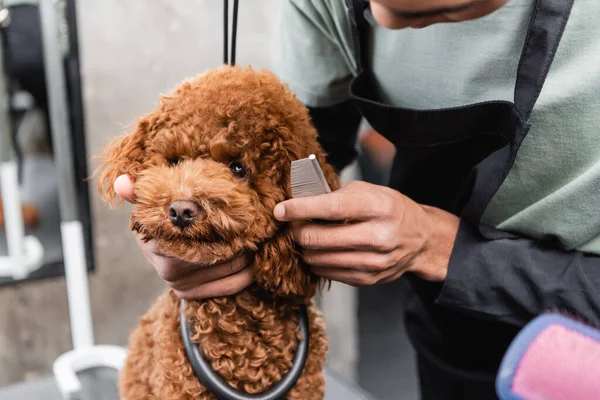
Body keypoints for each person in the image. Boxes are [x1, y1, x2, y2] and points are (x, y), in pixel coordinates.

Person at [114, 0, 600, 398]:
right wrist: (184, 235)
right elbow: (286, 163)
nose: (380, 16)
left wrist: (442, 248)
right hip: (450, 333)